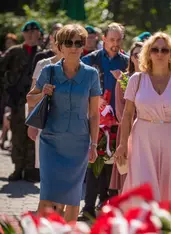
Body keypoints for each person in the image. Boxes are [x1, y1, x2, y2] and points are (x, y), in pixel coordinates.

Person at [114, 32, 171, 213]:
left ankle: (167, 226)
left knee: (170, 184)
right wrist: (122, 144)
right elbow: (127, 114)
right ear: (148, 53)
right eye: (155, 49)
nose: (160, 53)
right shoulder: (137, 79)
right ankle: (141, 226)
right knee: (144, 184)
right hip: (142, 136)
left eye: (165, 50)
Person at [27, 24, 101, 222]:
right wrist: (42, 92)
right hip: (51, 141)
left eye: (79, 43)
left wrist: (94, 144)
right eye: (68, 42)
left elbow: (94, 114)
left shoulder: (91, 74)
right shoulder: (49, 71)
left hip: (79, 142)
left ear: (84, 46)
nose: (74, 47)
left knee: (74, 196)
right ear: (59, 46)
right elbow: (30, 98)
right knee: (47, 194)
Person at [80, 22, 129, 220]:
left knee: (113, 165)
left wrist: (122, 81)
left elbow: (134, 87)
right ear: (104, 39)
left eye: (118, 40)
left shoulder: (126, 62)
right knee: (94, 164)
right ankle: (88, 207)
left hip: (117, 120)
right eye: (111, 40)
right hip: (94, 120)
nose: (115, 44)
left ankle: (109, 205)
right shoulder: (89, 60)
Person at [0, 20, 42, 182]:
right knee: (17, 134)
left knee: (33, 135)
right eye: (28, 32)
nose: (31, 35)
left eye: (35, 32)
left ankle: (31, 169)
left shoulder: (43, 54)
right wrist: (6, 91)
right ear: (23, 34)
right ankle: (18, 168)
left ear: (39, 34)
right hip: (17, 100)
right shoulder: (14, 52)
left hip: (37, 100)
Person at [109, 41, 143, 195]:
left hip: (149, 133)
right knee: (127, 178)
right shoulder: (123, 79)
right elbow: (121, 112)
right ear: (131, 58)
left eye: (143, 53)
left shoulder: (154, 79)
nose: (140, 57)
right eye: (136, 54)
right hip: (127, 133)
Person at [27, 30, 63, 170]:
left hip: (68, 124)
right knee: (46, 166)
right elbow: (32, 96)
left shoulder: (79, 67)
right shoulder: (42, 64)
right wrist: (32, 123)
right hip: (45, 120)